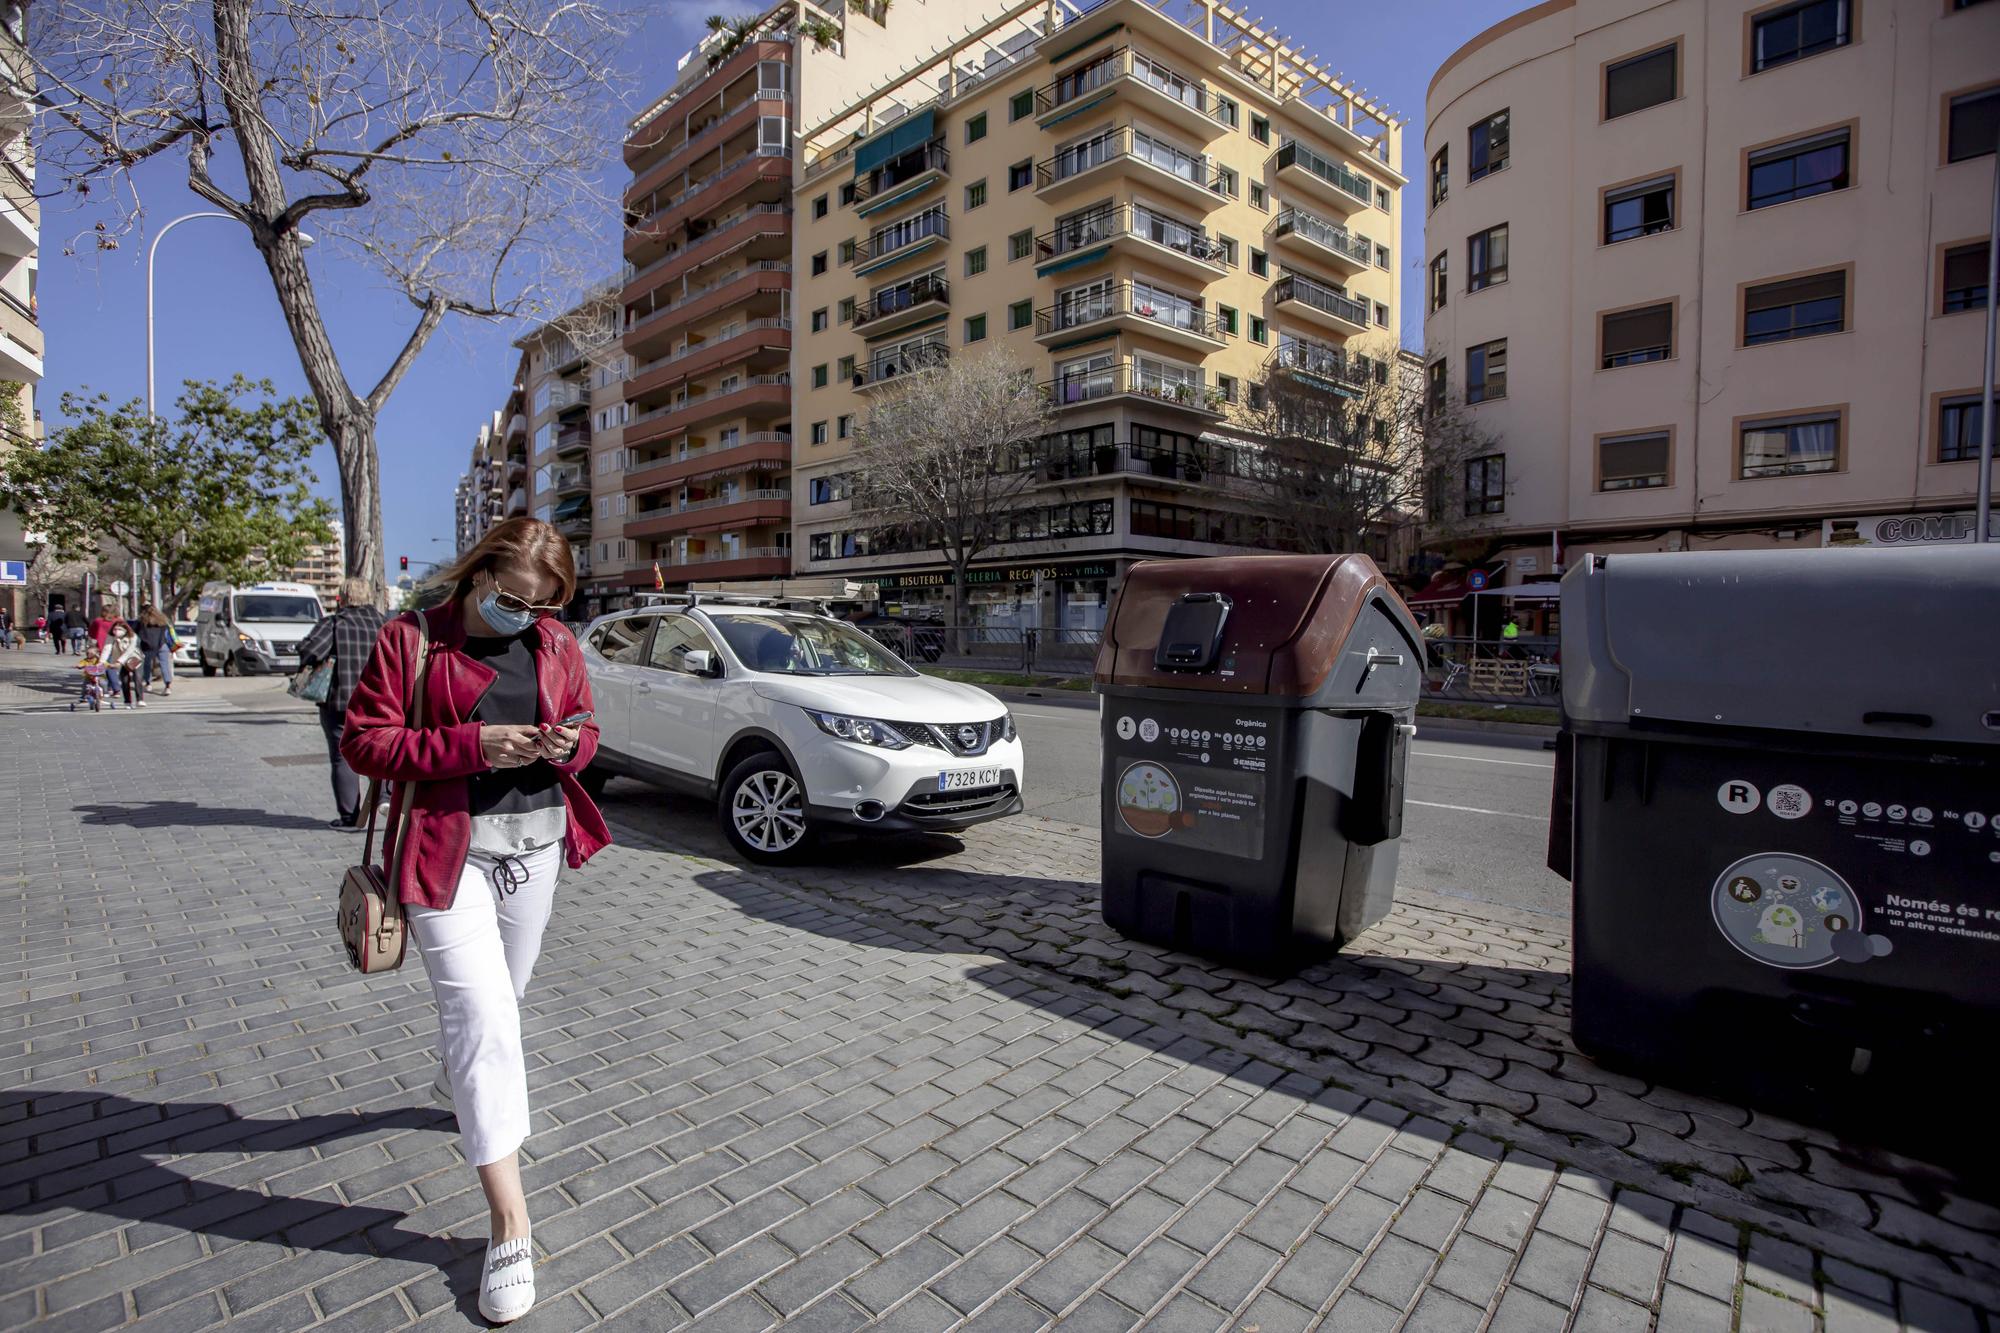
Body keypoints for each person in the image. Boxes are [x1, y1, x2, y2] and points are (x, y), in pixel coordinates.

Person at [342, 517, 608, 1325]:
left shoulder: (557, 642)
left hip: (535, 847)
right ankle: (510, 1225)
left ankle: (457, 1081)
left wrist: (567, 744)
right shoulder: (410, 636)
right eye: (513, 598)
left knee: (504, 1001)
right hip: (443, 856)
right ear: (480, 572)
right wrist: (470, 745)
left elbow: (589, 727)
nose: (526, 616)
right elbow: (364, 740)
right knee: (486, 1014)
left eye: (543, 604)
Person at [298, 577, 388, 830]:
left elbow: (311, 651)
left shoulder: (334, 624)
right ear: (369, 596)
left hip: (340, 699)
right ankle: (385, 797)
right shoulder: (385, 624)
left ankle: (350, 816)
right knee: (382, 751)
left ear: (343, 597)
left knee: (341, 757)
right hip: (380, 701)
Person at [103, 621, 147, 707]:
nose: (116, 631)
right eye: (115, 629)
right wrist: (102, 661)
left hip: (135, 659)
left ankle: (140, 699)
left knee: (138, 678)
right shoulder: (111, 637)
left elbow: (130, 650)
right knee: (125, 680)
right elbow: (106, 649)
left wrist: (119, 662)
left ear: (125, 630)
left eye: (119, 629)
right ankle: (127, 701)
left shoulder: (132, 636)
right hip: (120, 660)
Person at [136, 606, 176, 698]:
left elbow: (137, 633)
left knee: (147, 665)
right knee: (164, 665)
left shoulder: (142, 622)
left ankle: (148, 683)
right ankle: (167, 686)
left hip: (147, 646)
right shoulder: (162, 621)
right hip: (162, 645)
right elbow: (166, 633)